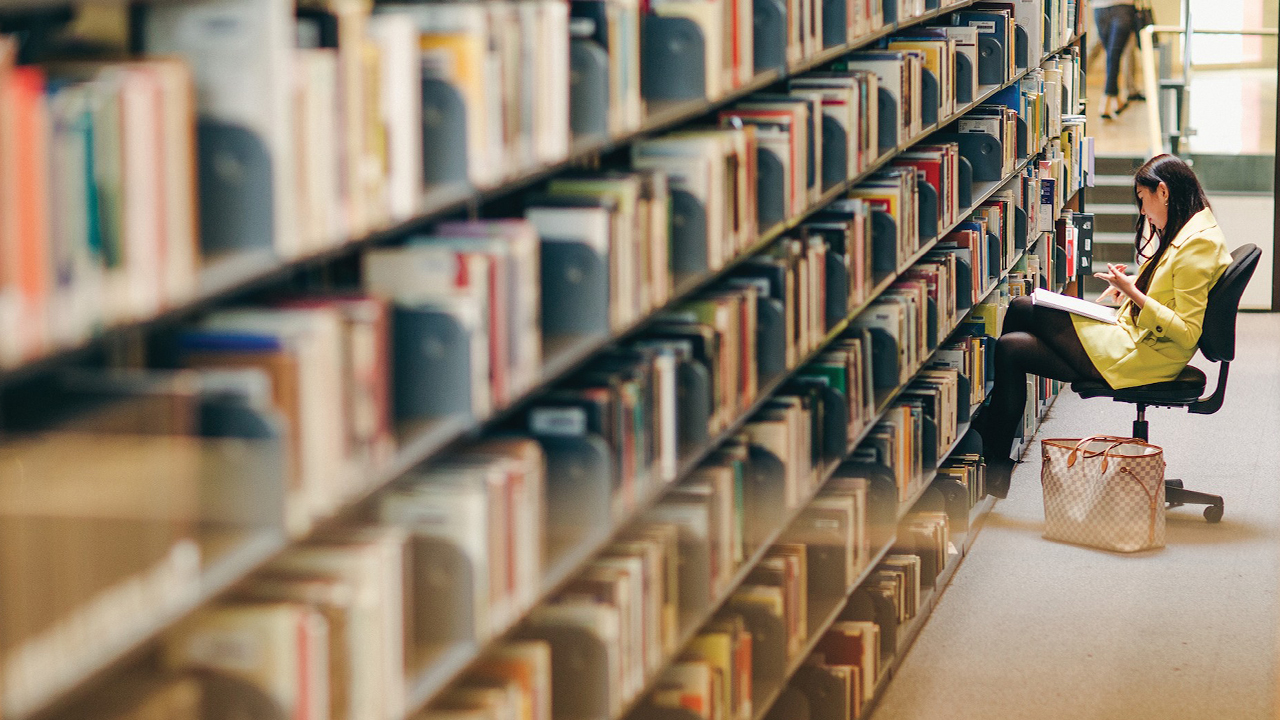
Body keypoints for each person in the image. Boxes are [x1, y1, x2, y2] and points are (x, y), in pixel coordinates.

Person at [977, 154, 1232, 498]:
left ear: (1163, 192)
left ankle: (991, 445)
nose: (1143, 211)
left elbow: (1187, 331)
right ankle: (994, 458)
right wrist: (1133, 287)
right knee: (1011, 346)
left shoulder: (1198, 241)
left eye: (1143, 200)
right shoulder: (1192, 229)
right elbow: (1170, 288)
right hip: (1132, 339)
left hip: (1145, 356)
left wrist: (1134, 294)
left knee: (1024, 309)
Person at [1094, 0, 1138, 119]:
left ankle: (1105, 100)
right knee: (1111, 54)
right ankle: (1117, 101)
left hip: (1122, 7)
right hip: (1098, 7)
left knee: (1114, 53)